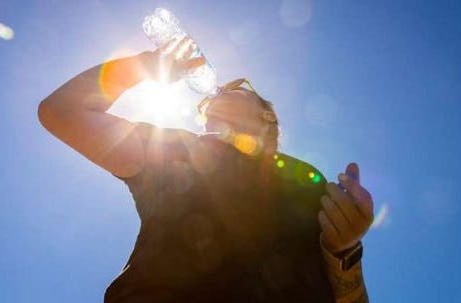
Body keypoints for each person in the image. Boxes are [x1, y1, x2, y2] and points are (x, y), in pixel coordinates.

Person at [38, 37, 374, 302]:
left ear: (266, 115)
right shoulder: (178, 149)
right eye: (204, 110)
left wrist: (345, 249)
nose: (216, 93)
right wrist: (142, 67)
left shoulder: (306, 179)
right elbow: (62, 111)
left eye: (235, 88)